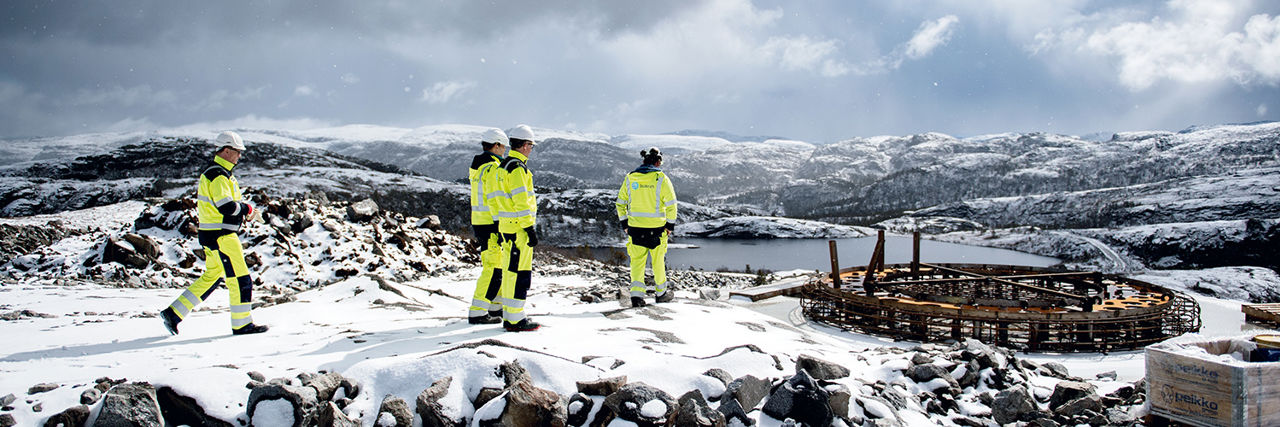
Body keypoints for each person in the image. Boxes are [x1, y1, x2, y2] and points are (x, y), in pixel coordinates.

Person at [160, 131, 269, 335]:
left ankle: (174, 313)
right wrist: (248, 209)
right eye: (237, 152)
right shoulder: (218, 175)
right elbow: (226, 207)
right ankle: (242, 324)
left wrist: (246, 214)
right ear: (226, 150)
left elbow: (224, 207)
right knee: (240, 279)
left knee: (212, 276)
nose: (240, 156)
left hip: (211, 235)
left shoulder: (217, 173)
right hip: (222, 237)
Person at [492, 124, 541, 332]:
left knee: (510, 270)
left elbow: (494, 198)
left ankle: (510, 316)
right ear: (524, 145)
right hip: (519, 229)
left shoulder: (502, 166)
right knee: (520, 273)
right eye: (531, 145)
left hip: (506, 225)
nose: (531, 149)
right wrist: (529, 228)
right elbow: (522, 201)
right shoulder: (517, 168)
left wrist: (498, 221)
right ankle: (515, 319)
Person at [615, 147, 677, 307]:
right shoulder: (661, 178)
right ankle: (661, 293)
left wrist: (625, 225)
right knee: (658, 262)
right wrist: (669, 226)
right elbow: (672, 205)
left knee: (636, 263)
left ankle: (636, 296)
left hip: (635, 229)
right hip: (657, 230)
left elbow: (620, 204)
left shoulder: (630, 178)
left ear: (643, 161)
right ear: (658, 162)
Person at [467, 128, 509, 324]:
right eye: (503, 147)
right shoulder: (491, 168)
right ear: (497, 145)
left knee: (497, 265)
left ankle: (494, 306)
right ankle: (478, 311)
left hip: (481, 220)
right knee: (493, 267)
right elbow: (494, 198)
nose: (505, 151)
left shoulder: (478, 166)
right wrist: (500, 223)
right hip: (491, 223)